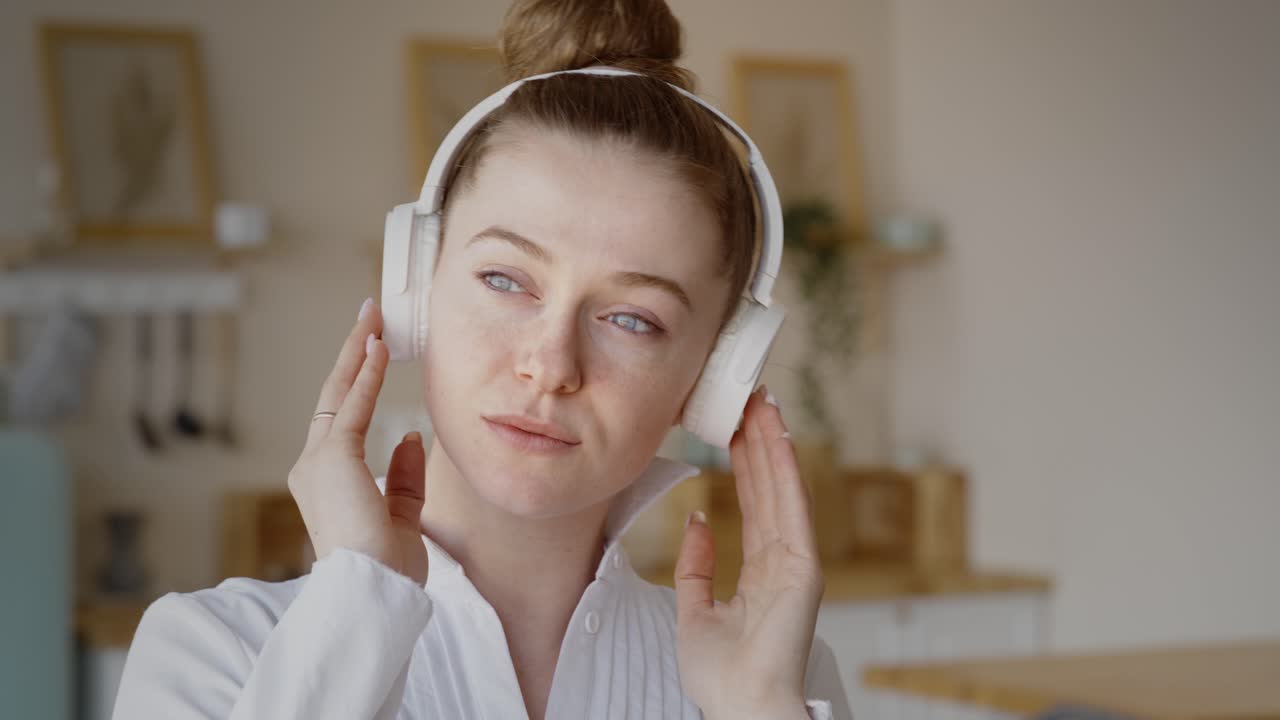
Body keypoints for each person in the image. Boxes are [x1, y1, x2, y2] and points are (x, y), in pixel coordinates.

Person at [113, 0, 853, 718]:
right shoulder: (213, 653)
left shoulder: (767, 677)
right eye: (505, 279)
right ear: (417, 287)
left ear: (714, 375)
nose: (550, 363)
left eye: (632, 318)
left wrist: (758, 710)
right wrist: (356, 607)